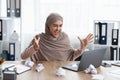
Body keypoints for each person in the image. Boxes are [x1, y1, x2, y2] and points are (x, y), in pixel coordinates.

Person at [21, 13, 94, 61]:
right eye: (55, 25)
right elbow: (23, 56)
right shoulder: (39, 38)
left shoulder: (64, 37)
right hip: (43, 72)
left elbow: (72, 56)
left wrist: (82, 48)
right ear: (48, 26)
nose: (58, 29)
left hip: (62, 72)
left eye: (60, 25)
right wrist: (34, 48)